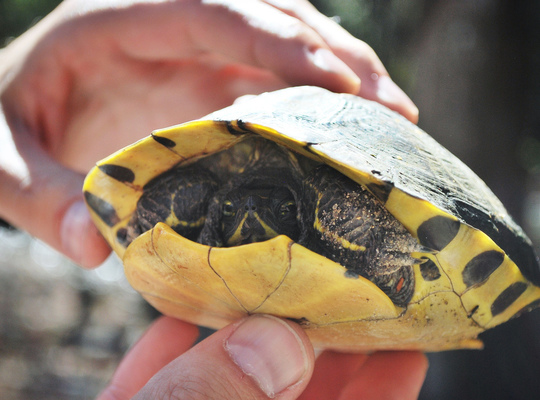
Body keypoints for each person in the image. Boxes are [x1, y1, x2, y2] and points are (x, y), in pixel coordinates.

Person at [0, 0, 426, 398]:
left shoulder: (328, 205)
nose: (251, 214)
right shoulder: (203, 187)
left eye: (278, 210)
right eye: (229, 208)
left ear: (297, 207)